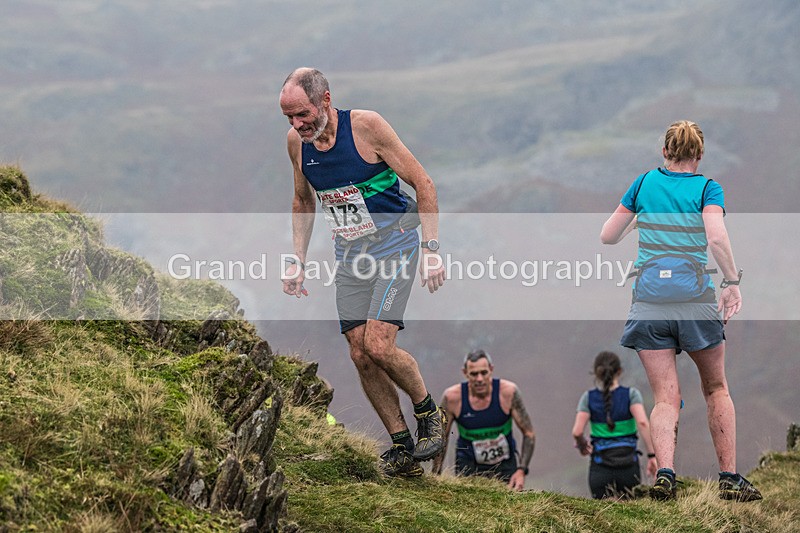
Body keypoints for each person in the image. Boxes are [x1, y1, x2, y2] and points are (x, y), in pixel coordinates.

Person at [279, 68, 447, 477]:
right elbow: (304, 202)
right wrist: (297, 259)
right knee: (359, 352)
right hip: (351, 255)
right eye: (288, 118)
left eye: (302, 114)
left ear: (325, 100)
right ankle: (402, 446)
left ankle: (429, 413)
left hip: (396, 244)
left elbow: (423, 182)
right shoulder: (297, 145)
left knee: (379, 344)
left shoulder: (366, 127)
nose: (297, 125)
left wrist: (432, 249)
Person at [600, 120, 762, 502]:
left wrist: (638, 220)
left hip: (649, 303)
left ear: (665, 152)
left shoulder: (642, 184)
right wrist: (731, 282)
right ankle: (728, 478)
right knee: (716, 388)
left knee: (665, 398)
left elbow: (607, 235)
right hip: (694, 302)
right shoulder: (708, 188)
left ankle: (666, 476)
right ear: (700, 155)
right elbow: (717, 236)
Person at [432, 350, 535, 491]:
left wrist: (521, 471)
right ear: (465, 373)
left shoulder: (508, 393)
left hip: (504, 463)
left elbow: (529, 434)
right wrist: (435, 476)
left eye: (484, 373)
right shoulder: (452, 398)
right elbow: (441, 438)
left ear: (491, 370)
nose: (479, 379)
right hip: (468, 464)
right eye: (474, 374)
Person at [571, 351, 658, 499]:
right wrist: (652, 455)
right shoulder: (631, 395)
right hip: (628, 468)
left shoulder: (588, 398)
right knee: (630, 514)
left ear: (597, 373)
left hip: (600, 469)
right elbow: (643, 423)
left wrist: (582, 445)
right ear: (619, 371)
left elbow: (577, 431)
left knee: (601, 516)